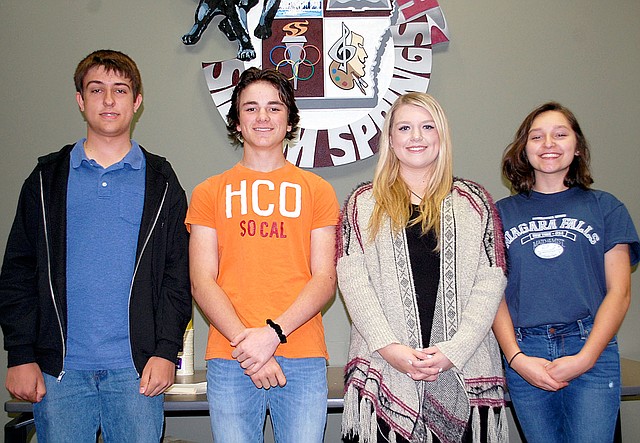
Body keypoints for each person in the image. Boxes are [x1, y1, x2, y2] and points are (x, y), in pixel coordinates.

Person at [0, 49, 192, 442]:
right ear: (80, 100)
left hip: (137, 372)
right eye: (96, 89)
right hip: (60, 373)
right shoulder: (45, 179)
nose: (108, 100)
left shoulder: (163, 182)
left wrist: (165, 351)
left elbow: (178, 276)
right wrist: (20, 354)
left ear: (136, 102)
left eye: (120, 90)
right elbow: (18, 271)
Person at [337, 92, 508, 443]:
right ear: (391, 140)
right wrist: (390, 348)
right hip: (383, 373)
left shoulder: (474, 202)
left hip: (465, 370)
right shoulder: (362, 203)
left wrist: (454, 350)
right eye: (405, 128)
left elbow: (491, 280)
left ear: (441, 136)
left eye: (427, 126)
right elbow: (353, 281)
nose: (416, 137)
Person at [186, 67, 339, 442]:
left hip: (301, 354)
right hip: (230, 356)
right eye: (251, 108)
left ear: (290, 121)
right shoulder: (209, 192)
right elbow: (201, 280)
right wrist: (248, 344)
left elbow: (325, 280)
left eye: (274, 107)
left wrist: (272, 335)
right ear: (237, 122)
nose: (263, 117)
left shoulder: (318, 190)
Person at [493, 102, 640, 442]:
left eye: (560, 135)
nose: (548, 144)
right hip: (525, 351)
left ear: (577, 148)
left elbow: (619, 292)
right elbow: (491, 294)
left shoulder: (605, 207)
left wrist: (586, 357)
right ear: (523, 149)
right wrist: (516, 358)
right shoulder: (498, 214)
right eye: (537, 136)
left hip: (591, 345)